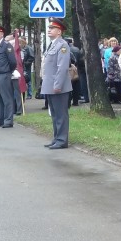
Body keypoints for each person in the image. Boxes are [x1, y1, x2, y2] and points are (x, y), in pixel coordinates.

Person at [41, 18, 73, 149]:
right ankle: (56, 138)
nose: (49, 30)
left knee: (60, 115)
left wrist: (58, 85)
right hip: (50, 85)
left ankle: (62, 140)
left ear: (59, 31)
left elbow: (62, 67)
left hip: (58, 86)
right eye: (48, 28)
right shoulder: (53, 44)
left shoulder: (62, 45)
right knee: (54, 114)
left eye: (52, 28)